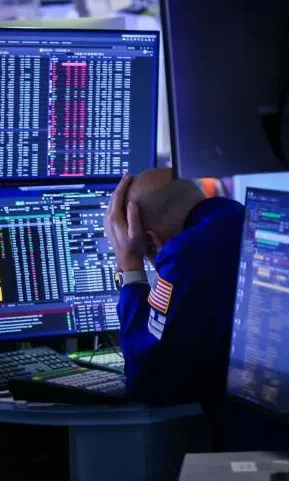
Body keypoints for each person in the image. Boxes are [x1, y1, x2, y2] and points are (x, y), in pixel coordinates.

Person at [103, 169, 245, 408]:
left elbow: (147, 381)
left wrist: (129, 265)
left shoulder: (183, 253)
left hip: (246, 434)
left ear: (150, 241)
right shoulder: (238, 215)